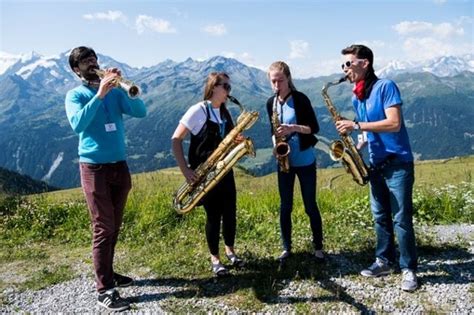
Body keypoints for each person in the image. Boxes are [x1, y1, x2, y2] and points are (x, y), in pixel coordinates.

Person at [65, 46, 147, 311]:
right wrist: (100, 94)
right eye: (86, 61)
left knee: (114, 225)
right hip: (94, 168)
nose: (93, 63)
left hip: (119, 166)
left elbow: (140, 112)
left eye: (94, 59)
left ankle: (109, 274)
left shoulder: (114, 91)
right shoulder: (75, 95)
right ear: (76, 69)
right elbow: (77, 124)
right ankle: (105, 290)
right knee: (103, 228)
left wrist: (124, 88)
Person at [335, 44, 418, 292]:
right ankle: (384, 260)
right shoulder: (357, 94)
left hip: (398, 163)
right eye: (343, 65)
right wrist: (358, 146)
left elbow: (394, 123)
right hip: (376, 164)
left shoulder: (386, 87)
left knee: (401, 219)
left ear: (365, 63)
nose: (345, 69)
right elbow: (368, 130)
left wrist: (357, 125)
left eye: (349, 63)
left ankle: (408, 268)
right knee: (380, 217)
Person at [171, 72, 245, 277]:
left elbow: (226, 140)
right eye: (226, 87)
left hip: (224, 171)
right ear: (214, 87)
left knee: (230, 213)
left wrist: (236, 141)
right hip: (205, 173)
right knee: (214, 215)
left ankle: (230, 250)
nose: (229, 92)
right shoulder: (198, 110)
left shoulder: (224, 112)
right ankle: (215, 258)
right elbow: (176, 140)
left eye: (230, 87)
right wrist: (185, 170)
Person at [266, 61, 324, 262]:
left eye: (280, 80)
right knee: (285, 207)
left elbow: (313, 128)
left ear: (288, 78)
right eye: (273, 81)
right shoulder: (270, 103)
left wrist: (293, 128)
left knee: (310, 205)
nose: (276, 85)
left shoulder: (300, 99)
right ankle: (286, 248)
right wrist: (276, 146)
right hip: (285, 162)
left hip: (305, 159)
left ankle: (318, 247)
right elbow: (273, 131)